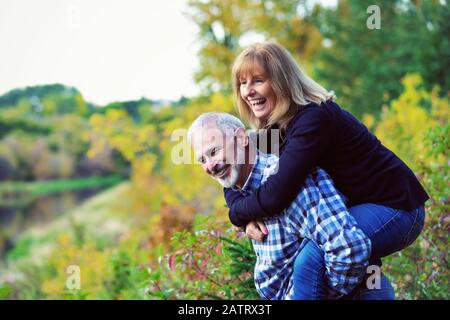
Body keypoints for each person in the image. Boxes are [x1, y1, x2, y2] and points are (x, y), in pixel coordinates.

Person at [224, 42, 428, 299]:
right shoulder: (276, 128)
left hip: (396, 208)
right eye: (242, 83)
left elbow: (276, 195)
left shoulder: (313, 119)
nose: (248, 91)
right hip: (352, 212)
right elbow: (234, 170)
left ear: (282, 81)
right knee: (363, 278)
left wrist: (237, 215)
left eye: (258, 80)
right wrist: (240, 211)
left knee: (312, 259)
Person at [188, 112, 375, 300]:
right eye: (202, 160)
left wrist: (312, 294)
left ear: (241, 138)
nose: (210, 166)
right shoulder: (244, 192)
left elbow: (349, 249)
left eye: (214, 152)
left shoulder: (284, 184)